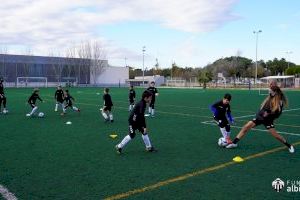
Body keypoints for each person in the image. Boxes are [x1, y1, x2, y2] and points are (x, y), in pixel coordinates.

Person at [226, 85, 295, 153]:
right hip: (259, 117)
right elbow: (264, 108)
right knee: (246, 127)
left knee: (276, 136)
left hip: (268, 120)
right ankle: (234, 143)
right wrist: (261, 113)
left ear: (275, 92)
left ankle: (289, 146)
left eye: (270, 90)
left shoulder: (279, 101)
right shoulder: (269, 97)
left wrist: (269, 113)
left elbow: (277, 113)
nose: (269, 91)